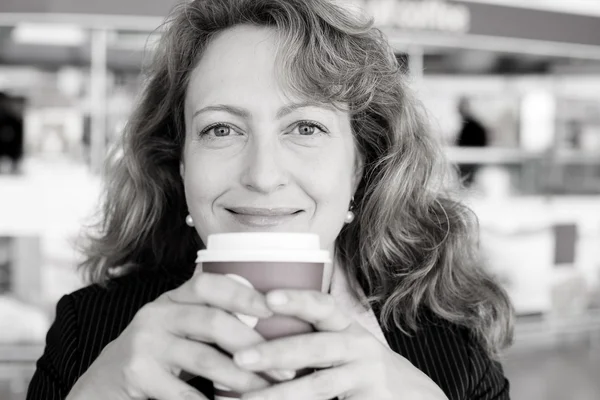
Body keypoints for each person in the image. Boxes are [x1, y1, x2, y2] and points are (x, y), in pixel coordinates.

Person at [27, 1, 514, 399]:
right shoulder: (89, 333)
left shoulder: (454, 353)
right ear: (180, 163)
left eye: (306, 127)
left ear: (359, 167)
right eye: (221, 128)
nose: (262, 175)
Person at [455, 97, 489, 187]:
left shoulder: (472, 126)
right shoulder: (470, 125)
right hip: (469, 163)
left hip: (470, 163)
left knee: (467, 183)